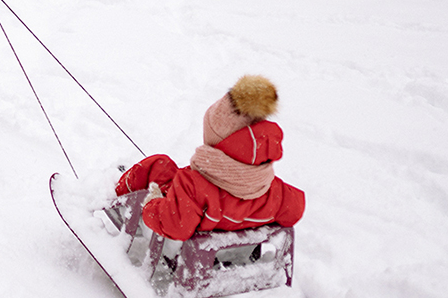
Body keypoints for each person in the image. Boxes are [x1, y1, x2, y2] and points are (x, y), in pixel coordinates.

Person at [115, 74, 306, 241]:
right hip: (211, 216)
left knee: (158, 164)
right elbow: (296, 207)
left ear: (218, 146)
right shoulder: (273, 192)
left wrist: (152, 204)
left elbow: (175, 225)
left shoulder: (192, 185)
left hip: (181, 208)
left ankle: (116, 195)